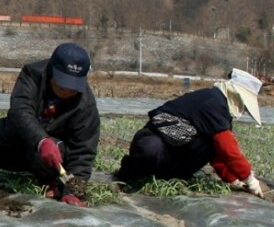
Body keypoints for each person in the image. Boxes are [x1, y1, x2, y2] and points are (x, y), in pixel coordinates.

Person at [0, 42, 100, 207]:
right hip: (12, 140)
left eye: (72, 87)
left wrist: (72, 191)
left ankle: (50, 181)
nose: (67, 91)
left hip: (47, 159)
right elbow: (20, 111)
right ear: (51, 70)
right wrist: (41, 140)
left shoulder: (85, 105)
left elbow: (83, 151)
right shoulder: (32, 74)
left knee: (52, 149)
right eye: (62, 84)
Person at [114, 68, 265, 197]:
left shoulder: (220, 112)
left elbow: (217, 154)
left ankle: (165, 177)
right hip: (159, 142)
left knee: (210, 143)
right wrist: (249, 179)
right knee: (150, 149)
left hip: (177, 153)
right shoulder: (213, 102)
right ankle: (127, 175)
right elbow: (229, 150)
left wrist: (233, 180)